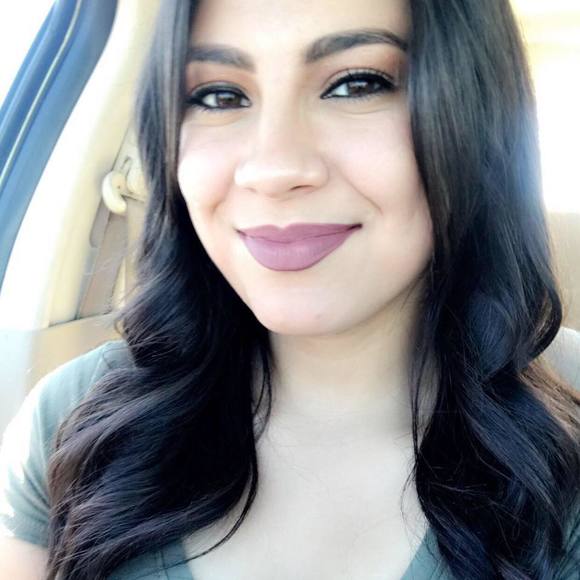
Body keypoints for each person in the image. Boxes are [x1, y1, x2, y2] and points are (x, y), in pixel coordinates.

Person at [1, 0, 579, 578]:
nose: (272, 170)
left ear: (479, 116)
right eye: (219, 96)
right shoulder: (72, 416)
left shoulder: (562, 449)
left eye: (357, 85)